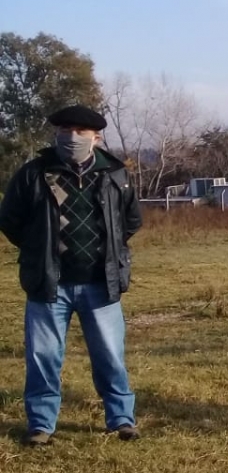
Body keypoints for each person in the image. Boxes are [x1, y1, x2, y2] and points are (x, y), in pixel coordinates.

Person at [0, 105, 143, 446]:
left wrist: (109, 254)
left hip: (100, 284)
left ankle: (121, 419)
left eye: (80, 131)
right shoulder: (34, 173)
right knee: (43, 358)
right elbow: (9, 220)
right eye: (65, 130)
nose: (71, 137)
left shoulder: (115, 175)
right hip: (48, 285)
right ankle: (41, 426)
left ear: (96, 137)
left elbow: (131, 221)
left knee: (110, 356)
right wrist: (38, 250)